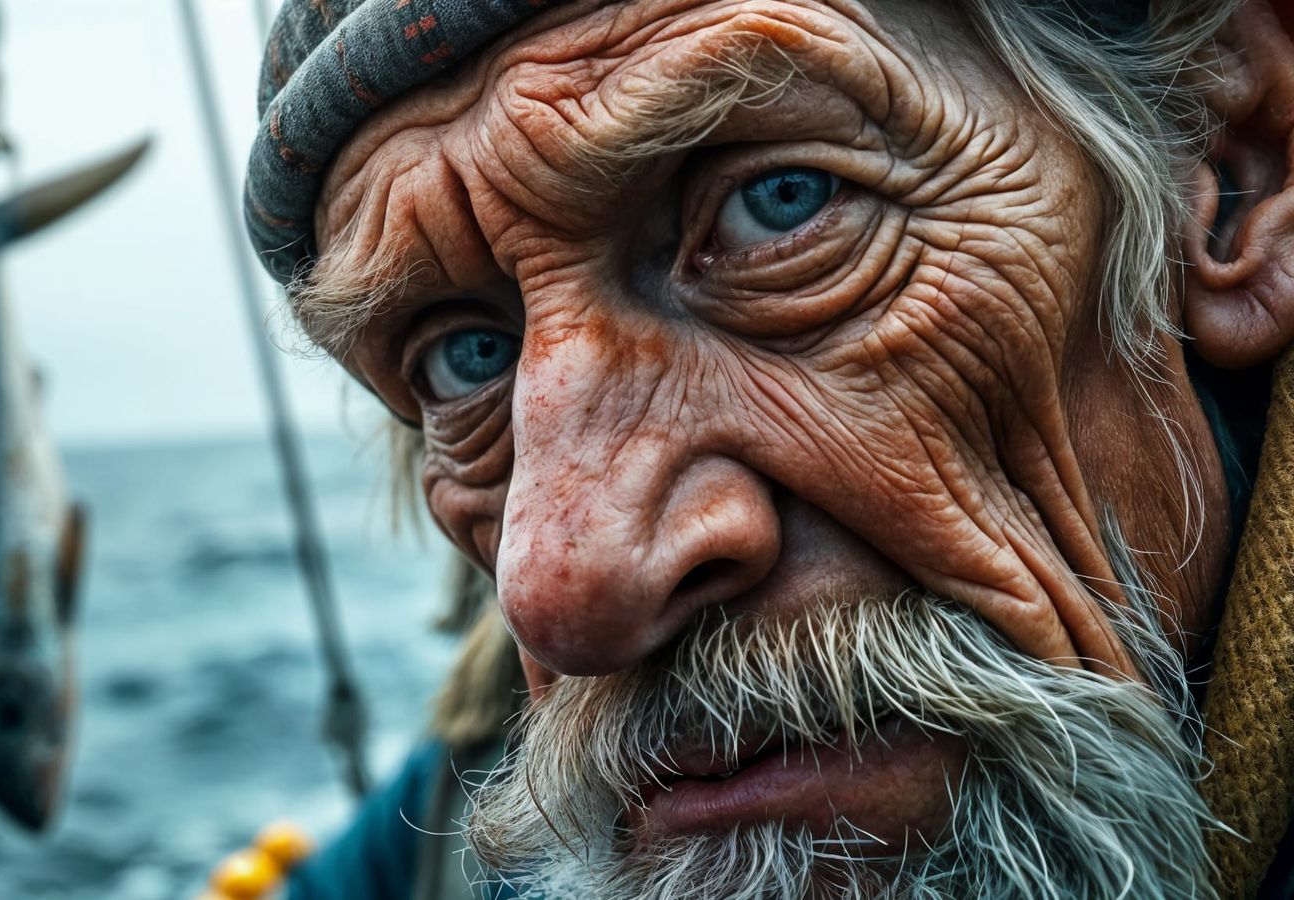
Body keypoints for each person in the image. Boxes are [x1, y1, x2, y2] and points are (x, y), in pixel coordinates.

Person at [241, 0, 1294, 896]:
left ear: (1235, 175)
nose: (562, 590)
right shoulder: (471, 809)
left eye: (775, 204)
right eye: (467, 358)